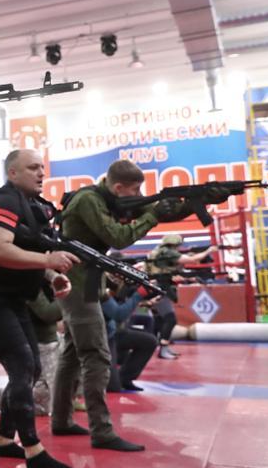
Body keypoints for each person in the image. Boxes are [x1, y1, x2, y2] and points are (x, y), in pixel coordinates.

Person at [51, 160, 187, 452]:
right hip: (77, 283)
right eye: (136, 190)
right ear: (118, 188)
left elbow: (147, 211)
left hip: (84, 282)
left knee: (73, 354)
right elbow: (119, 237)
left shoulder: (106, 199)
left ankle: (60, 419)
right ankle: (101, 431)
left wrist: (190, 202)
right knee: (97, 356)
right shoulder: (90, 200)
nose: (139, 194)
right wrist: (153, 214)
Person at [0, 148, 78, 468]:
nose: (40, 173)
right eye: (31, 168)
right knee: (23, 367)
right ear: (12, 173)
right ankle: (33, 451)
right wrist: (48, 261)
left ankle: (2, 441)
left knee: (31, 368)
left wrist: (52, 275)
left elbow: (25, 249)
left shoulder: (31, 208)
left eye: (42, 167)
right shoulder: (4, 201)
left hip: (12, 298)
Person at [0, 285, 62, 417]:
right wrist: (69, 298)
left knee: (52, 389)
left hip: (46, 340)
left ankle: (69, 399)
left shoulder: (44, 283)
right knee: (43, 401)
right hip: (38, 342)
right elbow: (48, 313)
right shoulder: (32, 284)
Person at [147, 233, 217, 359]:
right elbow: (192, 260)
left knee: (160, 320)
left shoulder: (160, 251)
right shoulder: (167, 252)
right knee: (170, 319)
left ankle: (161, 346)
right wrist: (209, 251)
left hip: (158, 286)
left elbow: (172, 270)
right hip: (161, 287)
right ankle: (163, 348)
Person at [101, 277, 158, 392]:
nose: (116, 279)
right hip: (102, 338)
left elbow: (119, 304)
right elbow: (119, 314)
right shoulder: (98, 287)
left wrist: (142, 297)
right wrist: (138, 295)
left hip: (113, 334)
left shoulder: (113, 286)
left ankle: (125, 378)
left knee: (149, 341)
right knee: (112, 387)